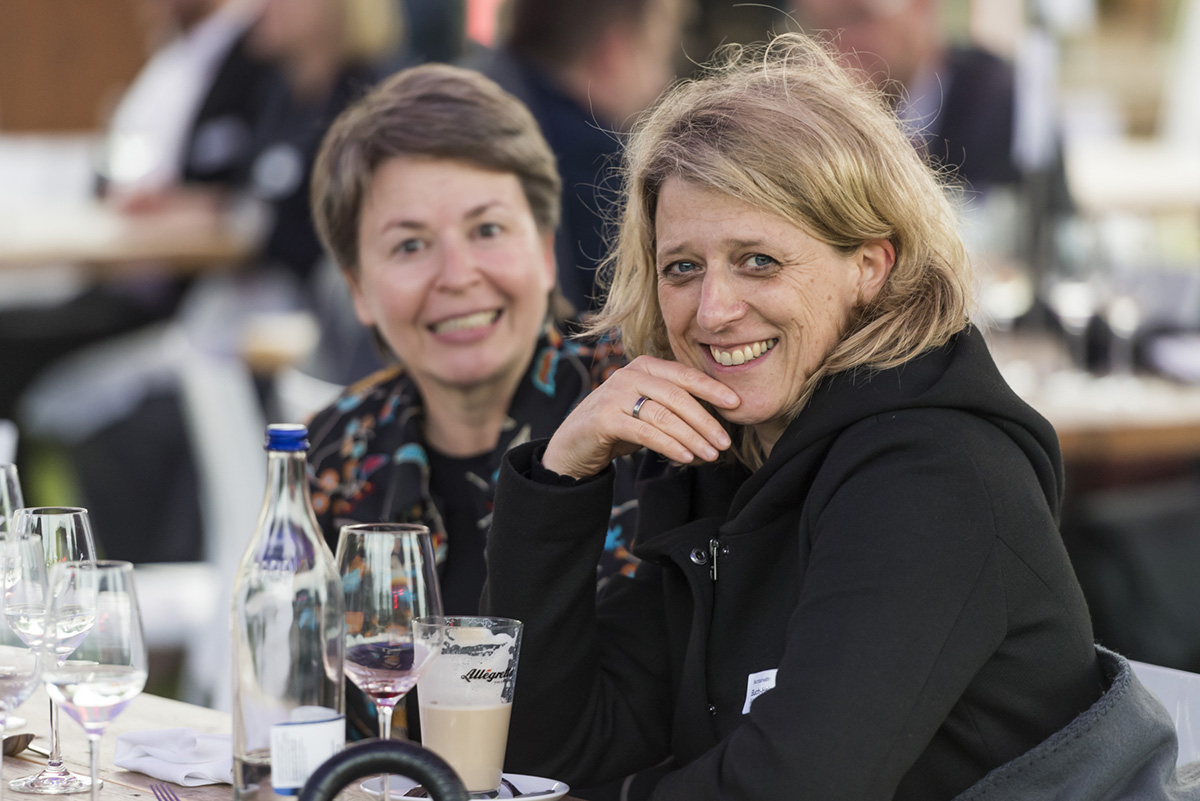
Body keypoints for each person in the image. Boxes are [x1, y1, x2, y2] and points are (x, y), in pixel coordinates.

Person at [481, 34, 1200, 800]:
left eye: (758, 260)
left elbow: (794, 786)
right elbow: (547, 752)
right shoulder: (726, 460)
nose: (713, 310)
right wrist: (561, 473)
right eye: (682, 267)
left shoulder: (934, 472)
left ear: (870, 266)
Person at [304, 63, 639, 738]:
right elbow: (309, 719)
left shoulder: (642, 411)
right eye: (410, 245)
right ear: (359, 288)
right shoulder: (335, 452)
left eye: (487, 230)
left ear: (544, 251)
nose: (457, 276)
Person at [471, 0, 689, 315]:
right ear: (614, 52)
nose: (663, 81)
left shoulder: (464, 102)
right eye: (659, 53)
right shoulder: (604, 168)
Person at [791, 0, 1023, 193]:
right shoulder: (805, 114)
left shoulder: (1004, 102)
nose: (837, 44)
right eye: (819, 28)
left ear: (921, 6)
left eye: (858, 18)